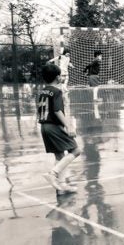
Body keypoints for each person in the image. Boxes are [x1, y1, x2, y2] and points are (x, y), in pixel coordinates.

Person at [37, 63, 81, 195]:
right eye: (61, 75)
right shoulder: (57, 91)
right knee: (76, 150)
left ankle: (61, 187)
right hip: (53, 126)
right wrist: (69, 126)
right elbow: (57, 111)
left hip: (44, 127)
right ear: (58, 77)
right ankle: (53, 173)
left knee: (60, 156)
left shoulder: (43, 91)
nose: (62, 77)